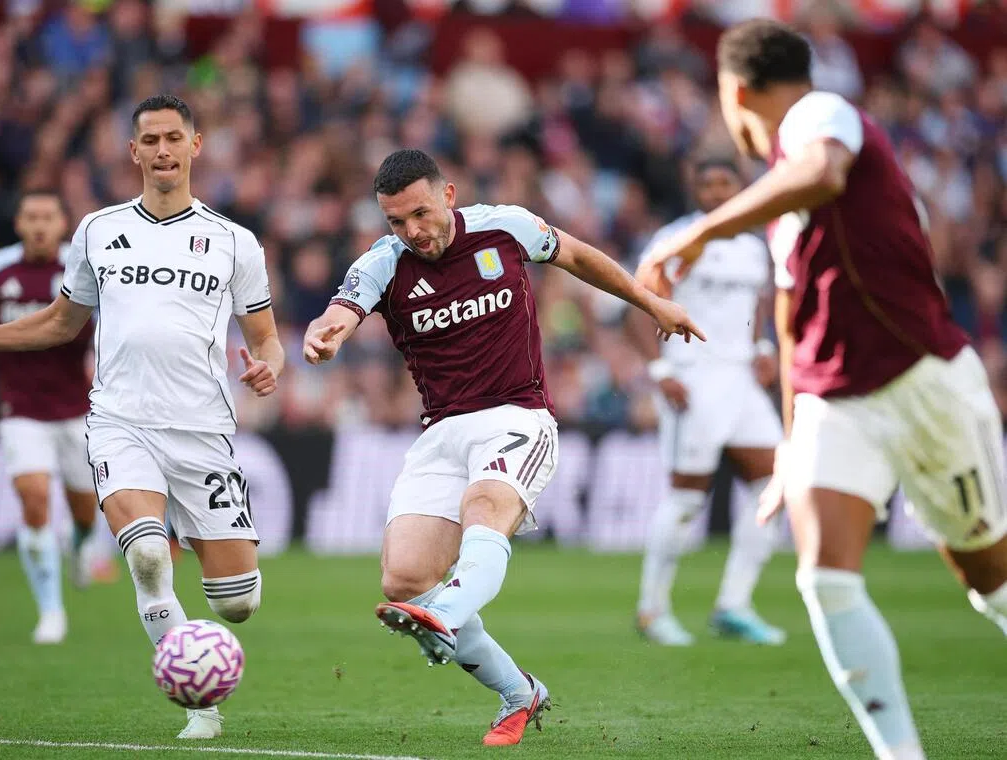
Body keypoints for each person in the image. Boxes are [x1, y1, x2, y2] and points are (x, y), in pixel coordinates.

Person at [637, 20, 1007, 760]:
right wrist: (791, 435)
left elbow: (825, 172)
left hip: (923, 381)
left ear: (736, 90)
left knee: (991, 584)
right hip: (838, 404)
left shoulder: (817, 116)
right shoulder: (779, 199)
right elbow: (790, 315)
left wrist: (698, 231)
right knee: (824, 580)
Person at [303, 148, 703, 746]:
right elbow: (340, 310)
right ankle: (520, 691)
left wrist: (653, 303)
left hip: (517, 417)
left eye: (420, 213)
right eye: (396, 221)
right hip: (440, 433)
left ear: (449, 195)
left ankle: (447, 612)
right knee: (404, 581)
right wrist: (325, 332)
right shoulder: (383, 263)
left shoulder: (505, 227)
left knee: (485, 509)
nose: (412, 231)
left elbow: (580, 257)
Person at [0, 94, 283, 740]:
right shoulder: (97, 230)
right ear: (133, 151)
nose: (164, 151)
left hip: (204, 432)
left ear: (196, 147)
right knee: (147, 556)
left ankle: (210, 621)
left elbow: (265, 336)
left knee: (239, 603)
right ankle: (201, 703)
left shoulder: (235, 242)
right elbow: (62, 322)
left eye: (175, 138)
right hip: (121, 423)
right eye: (152, 140)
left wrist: (268, 364)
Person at [628, 158, 785, 647]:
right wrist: (661, 370)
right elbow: (636, 304)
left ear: (741, 189)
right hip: (694, 379)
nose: (717, 192)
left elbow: (758, 305)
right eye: (707, 183)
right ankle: (652, 610)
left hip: (741, 380)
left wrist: (762, 347)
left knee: (775, 485)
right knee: (686, 499)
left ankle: (733, 605)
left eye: (725, 183)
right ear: (692, 188)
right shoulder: (677, 241)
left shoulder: (754, 248)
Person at [0, 188, 104, 644]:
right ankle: (51, 612)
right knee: (34, 498)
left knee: (84, 510)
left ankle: (79, 545)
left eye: (47, 217)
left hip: (77, 407)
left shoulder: (82, 262)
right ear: (18, 223)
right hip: (19, 407)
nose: (38, 225)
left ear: (62, 223)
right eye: (30, 216)